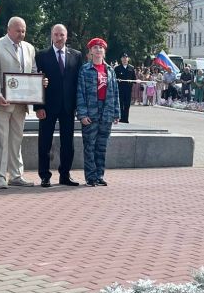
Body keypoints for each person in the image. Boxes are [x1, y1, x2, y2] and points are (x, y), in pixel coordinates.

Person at [0, 16, 38, 189]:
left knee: (17, 140)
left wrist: (40, 84)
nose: (21, 34)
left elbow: (33, 72)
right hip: (3, 101)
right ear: (9, 29)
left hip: (22, 103)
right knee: (0, 140)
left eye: (23, 31)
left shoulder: (30, 48)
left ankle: (16, 175)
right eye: (18, 30)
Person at [34, 24, 83, 187]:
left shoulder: (76, 56)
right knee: (44, 142)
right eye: (56, 35)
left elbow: (78, 83)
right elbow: (36, 82)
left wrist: (79, 107)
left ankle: (65, 175)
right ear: (51, 36)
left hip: (68, 107)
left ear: (66, 36)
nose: (59, 38)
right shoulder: (41, 55)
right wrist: (38, 106)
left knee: (68, 143)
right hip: (47, 106)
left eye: (62, 35)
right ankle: (44, 176)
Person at [77, 37, 120, 187]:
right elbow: (80, 92)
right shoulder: (85, 70)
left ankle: (99, 175)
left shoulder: (110, 70)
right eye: (95, 47)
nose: (98, 49)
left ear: (104, 51)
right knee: (90, 146)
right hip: (91, 112)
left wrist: (116, 112)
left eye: (101, 47)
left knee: (102, 146)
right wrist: (82, 114)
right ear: (90, 52)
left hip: (106, 112)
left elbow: (115, 92)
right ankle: (90, 177)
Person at [115, 53, 136, 122]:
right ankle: (120, 119)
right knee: (120, 104)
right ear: (121, 59)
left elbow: (134, 79)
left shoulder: (131, 68)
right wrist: (118, 80)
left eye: (126, 58)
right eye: (123, 58)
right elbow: (114, 79)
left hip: (128, 89)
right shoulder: (117, 68)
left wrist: (132, 81)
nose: (124, 59)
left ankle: (126, 119)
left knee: (127, 105)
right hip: (120, 89)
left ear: (128, 59)